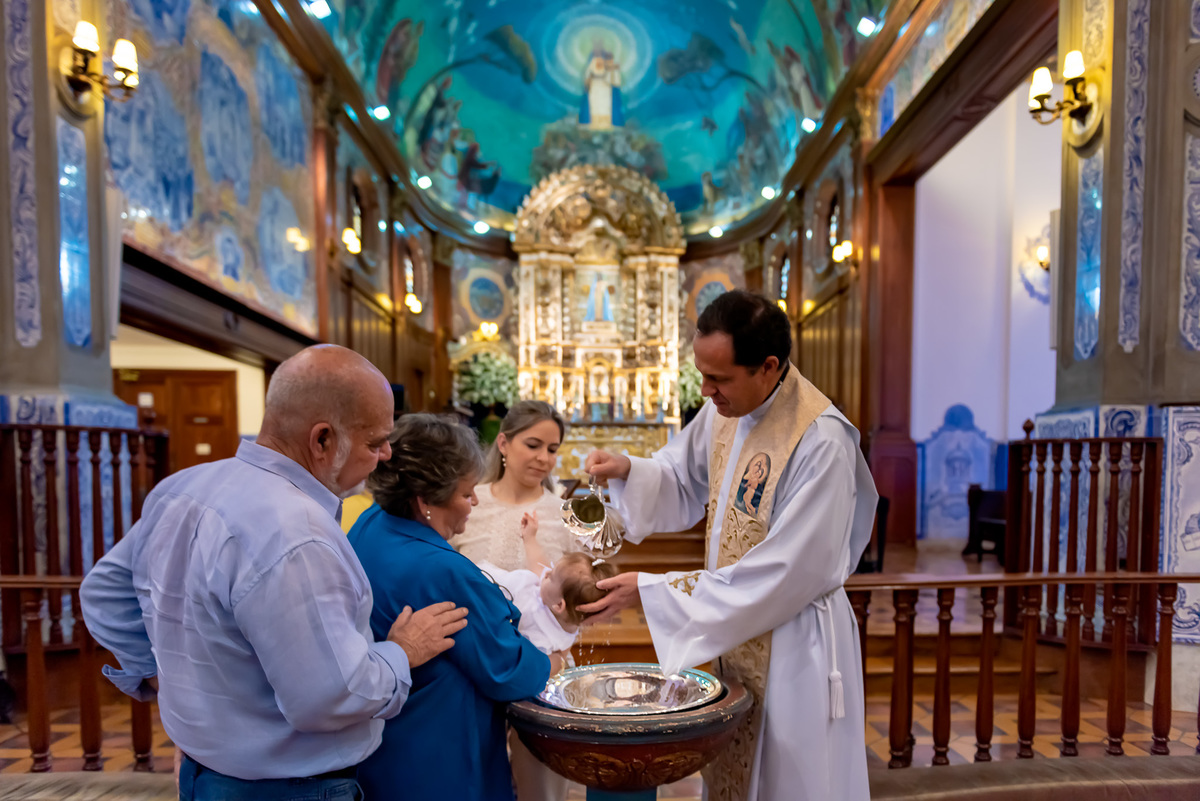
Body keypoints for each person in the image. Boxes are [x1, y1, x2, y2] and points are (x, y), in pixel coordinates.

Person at [79, 345, 469, 801]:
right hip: (285, 788)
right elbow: (332, 697)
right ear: (322, 440)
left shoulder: (185, 486)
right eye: (374, 442)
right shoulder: (296, 534)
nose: (385, 454)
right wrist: (403, 651)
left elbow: (103, 593)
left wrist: (166, 679)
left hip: (206, 773)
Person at [582, 290, 877, 801]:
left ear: (768, 367)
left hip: (792, 645)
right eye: (702, 374)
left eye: (718, 378)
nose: (705, 391)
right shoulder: (727, 408)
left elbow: (787, 573)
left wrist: (653, 590)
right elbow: (682, 476)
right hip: (737, 629)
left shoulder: (821, 441)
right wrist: (630, 468)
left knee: (790, 781)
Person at [349, 414, 558, 801]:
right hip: (439, 751)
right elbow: (508, 670)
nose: (474, 502)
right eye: (465, 494)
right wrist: (552, 662)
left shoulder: (370, 522)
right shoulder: (443, 571)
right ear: (425, 500)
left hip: (383, 745)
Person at [451, 400, 577, 572]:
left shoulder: (566, 517)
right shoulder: (468, 503)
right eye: (533, 446)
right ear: (503, 444)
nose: (544, 458)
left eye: (552, 450)